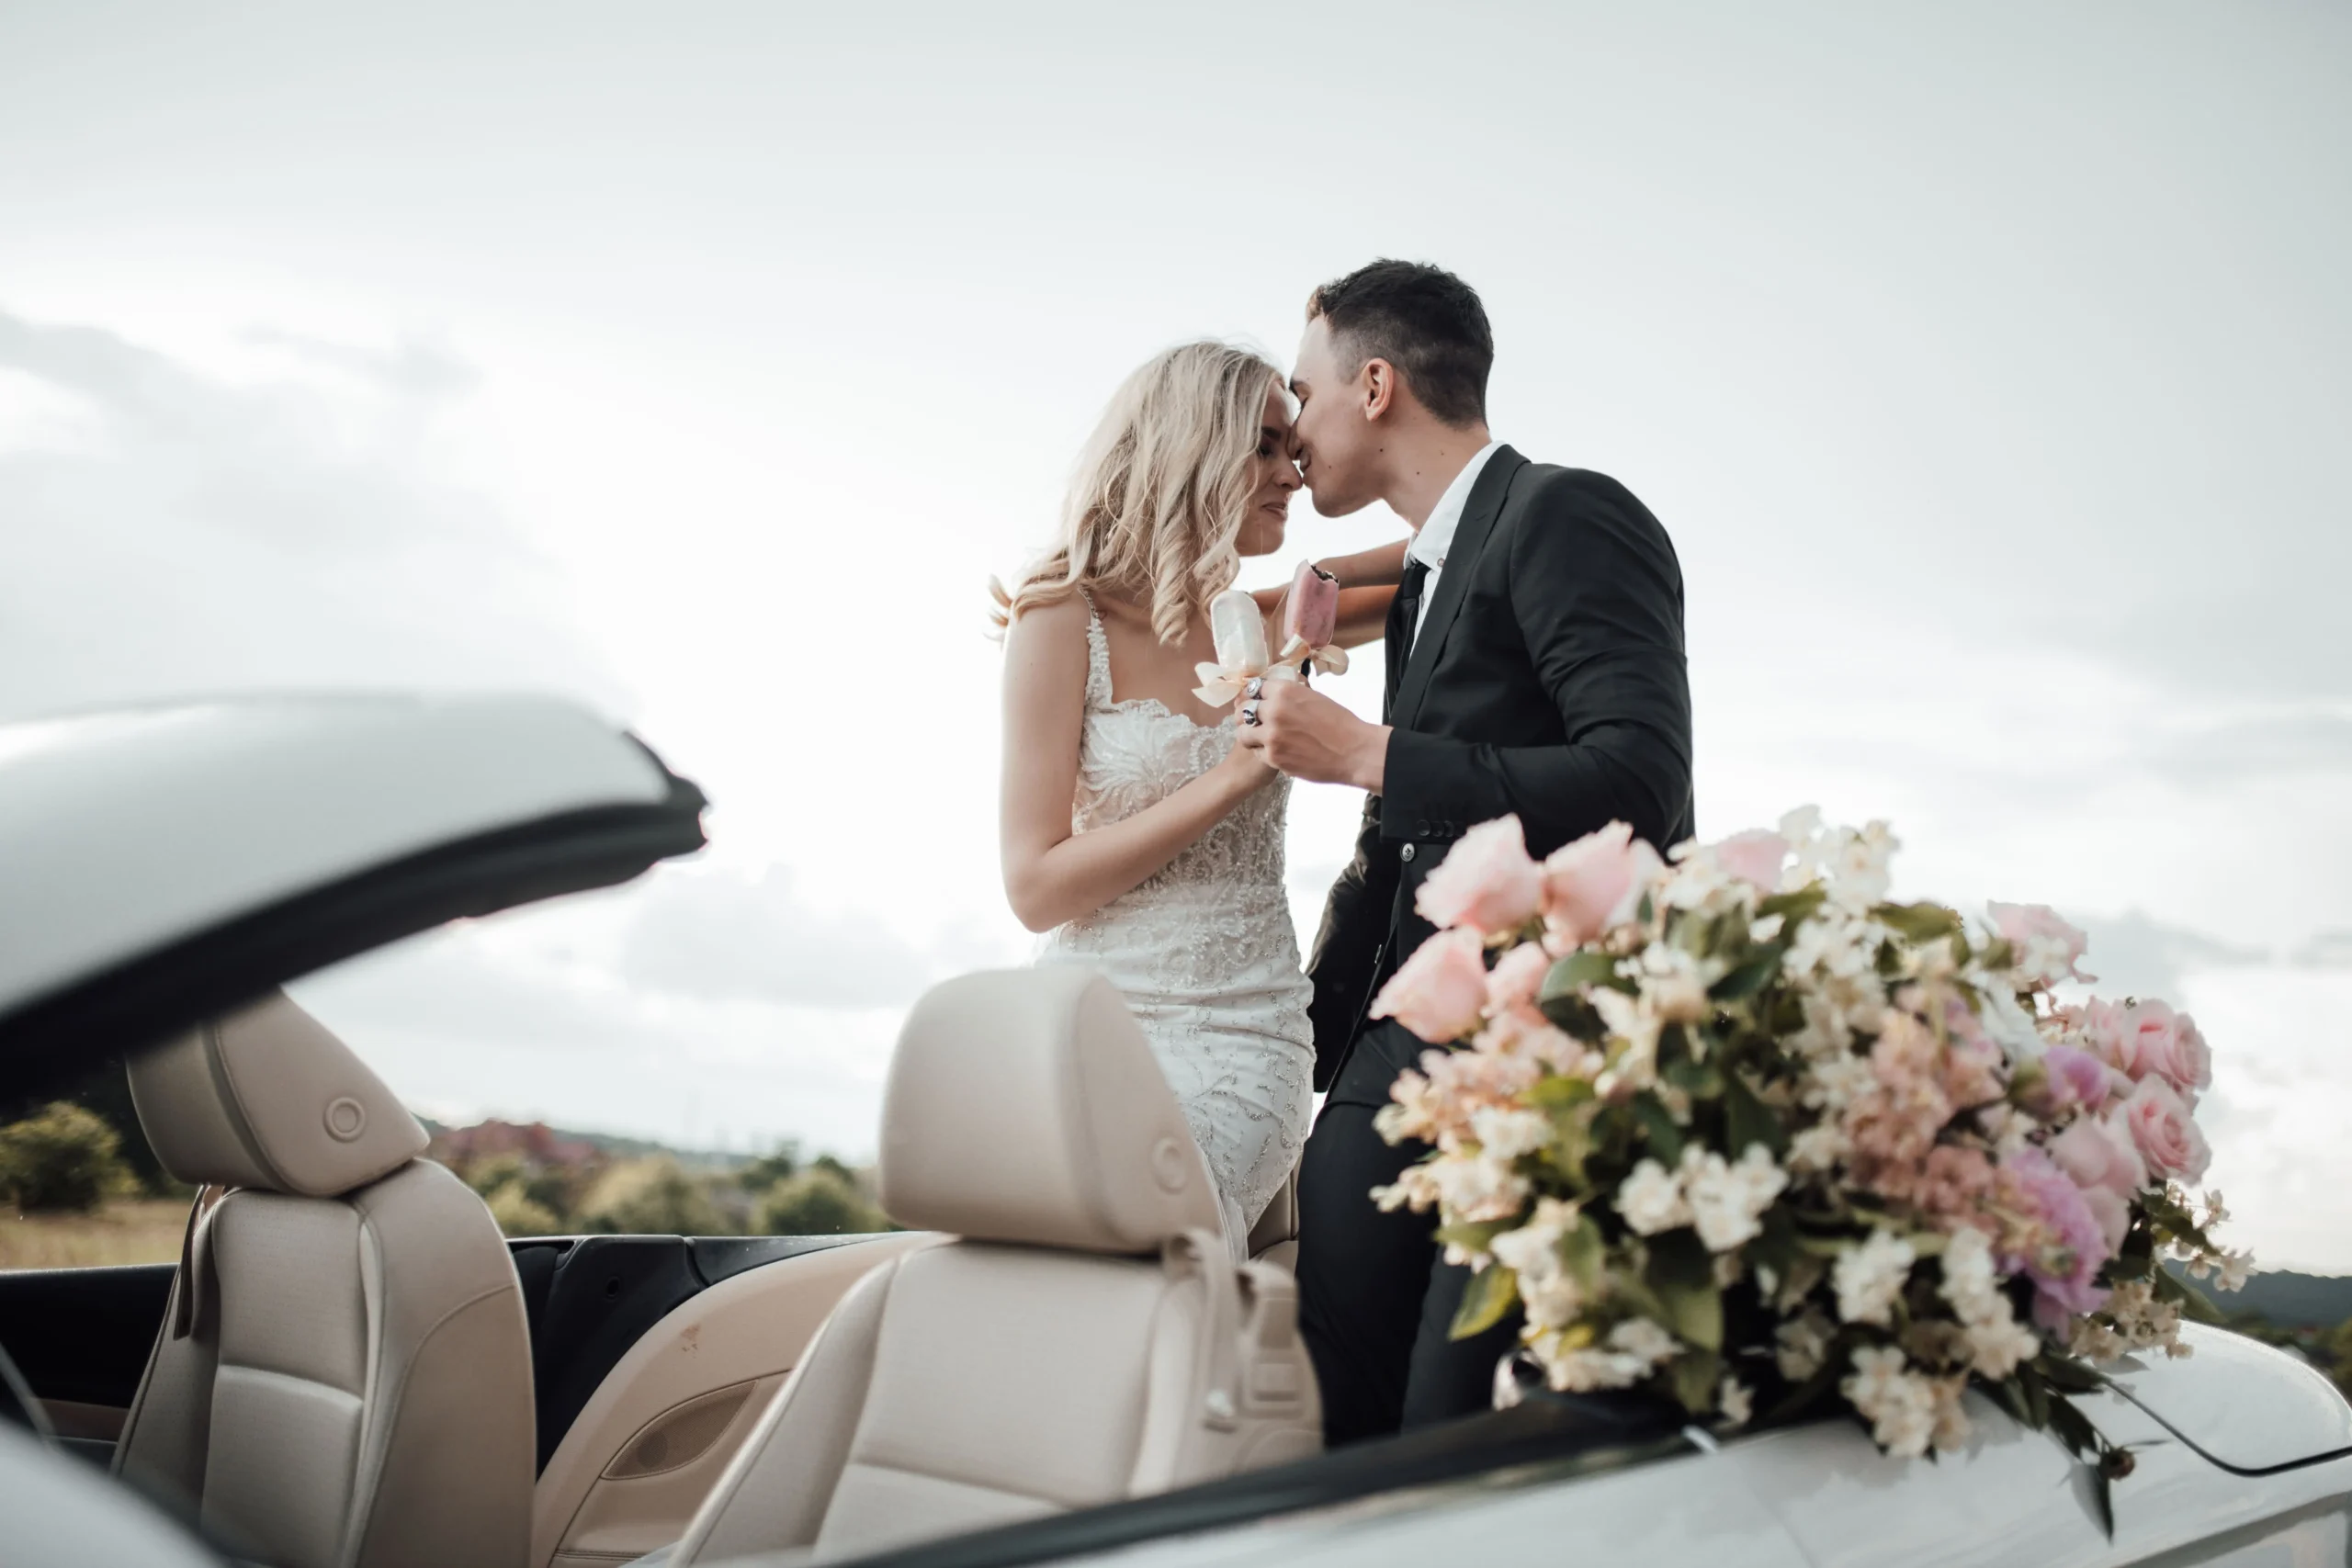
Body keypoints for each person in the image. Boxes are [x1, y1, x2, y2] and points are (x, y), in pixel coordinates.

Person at [1236, 260, 1695, 1442]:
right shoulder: (1436, 565)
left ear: (1375, 385)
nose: (1292, 431)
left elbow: (1641, 785)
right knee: (1335, 1404)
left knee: (1444, 1430)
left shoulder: (1567, 513)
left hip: (1531, 1065)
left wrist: (1368, 754)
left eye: (1304, 391)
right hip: (1387, 1052)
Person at [993, 340, 1396, 1260]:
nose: (1290, 474)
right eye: (1263, 446)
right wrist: (1234, 775)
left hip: (1242, 1038)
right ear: (1188, 450)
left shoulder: (1276, 623)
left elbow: (1453, 546)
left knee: (1149, 1261)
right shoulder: (1060, 617)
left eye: (1292, 448)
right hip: (1084, 1026)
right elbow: (1035, 885)